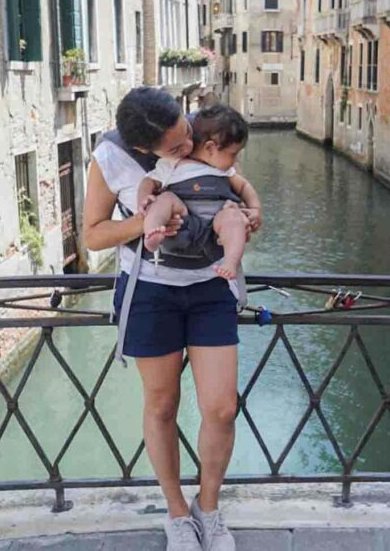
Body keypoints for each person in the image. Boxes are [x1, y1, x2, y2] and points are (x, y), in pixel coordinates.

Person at [82, 87, 261, 551]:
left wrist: (244, 215)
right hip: (149, 291)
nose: (188, 145)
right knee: (162, 405)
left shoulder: (204, 131)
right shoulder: (112, 157)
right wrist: (146, 223)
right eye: (175, 145)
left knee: (221, 408)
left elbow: (229, 184)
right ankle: (178, 513)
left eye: (186, 132)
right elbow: (93, 236)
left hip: (210, 288)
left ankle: (209, 508)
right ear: (143, 148)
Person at [137, 105, 261, 280]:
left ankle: (230, 263)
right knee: (164, 199)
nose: (235, 161)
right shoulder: (172, 164)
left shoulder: (226, 171)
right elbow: (148, 181)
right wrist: (145, 199)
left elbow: (244, 187)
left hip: (216, 230)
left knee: (233, 217)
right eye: (233, 154)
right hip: (183, 223)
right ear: (210, 148)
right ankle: (153, 232)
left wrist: (254, 209)